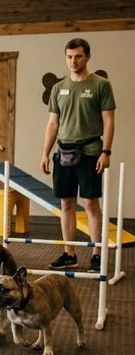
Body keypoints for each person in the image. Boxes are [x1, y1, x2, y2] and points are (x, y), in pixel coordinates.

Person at [40, 38, 116, 272]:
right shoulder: (58, 88)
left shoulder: (100, 85)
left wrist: (106, 151)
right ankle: (69, 253)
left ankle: (96, 254)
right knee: (66, 203)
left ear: (87, 57)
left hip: (92, 152)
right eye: (69, 57)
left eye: (78, 56)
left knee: (91, 204)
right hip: (63, 152)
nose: (73, 61)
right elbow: (53, 123)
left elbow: (109, 120)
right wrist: (45, 153)